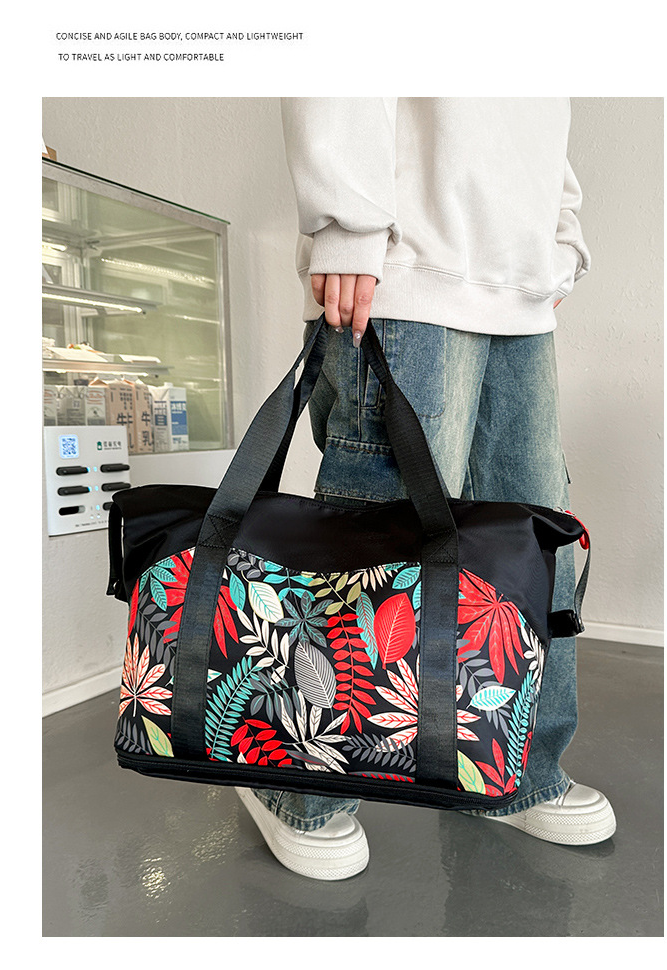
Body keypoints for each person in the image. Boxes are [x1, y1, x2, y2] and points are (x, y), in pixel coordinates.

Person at [235, 98, 616, 880]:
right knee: (375, 537)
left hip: (522, 286)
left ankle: (513, 771)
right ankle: (297, 788)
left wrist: (561, 236)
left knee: (530, 544)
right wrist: (344, 221)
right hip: (405, 262)